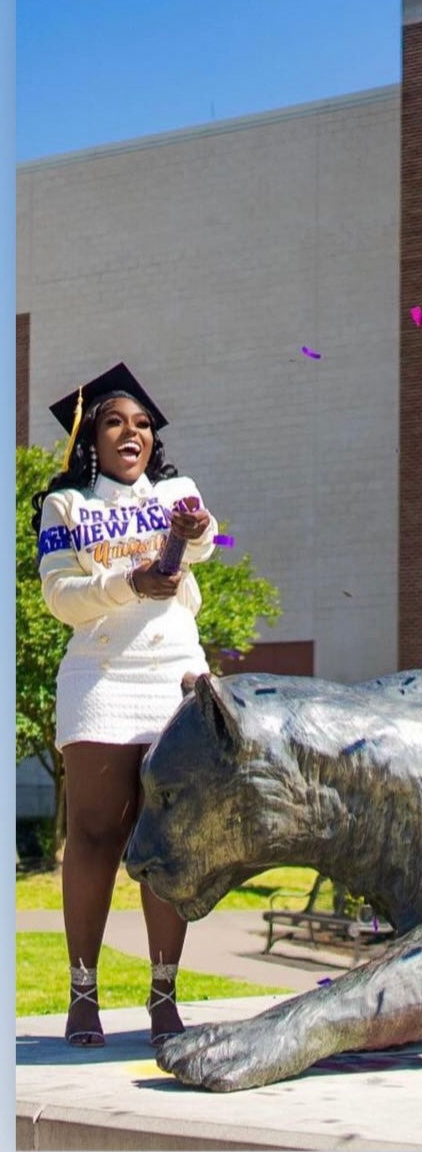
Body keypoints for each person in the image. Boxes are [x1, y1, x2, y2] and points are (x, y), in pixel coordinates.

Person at [31, 363, 218, 1048]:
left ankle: (163, 996)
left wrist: (193, 529)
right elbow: (61, 598)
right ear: (91, 439)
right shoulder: (66, 507)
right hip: (103, 677)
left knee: (168, 838)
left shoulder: (177, 491)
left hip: (175, 676)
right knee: (95, 836)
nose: (131, 431)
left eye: (141, 422)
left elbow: (199, 540)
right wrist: (129, 581)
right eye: (114, 421)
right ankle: (84, 994)